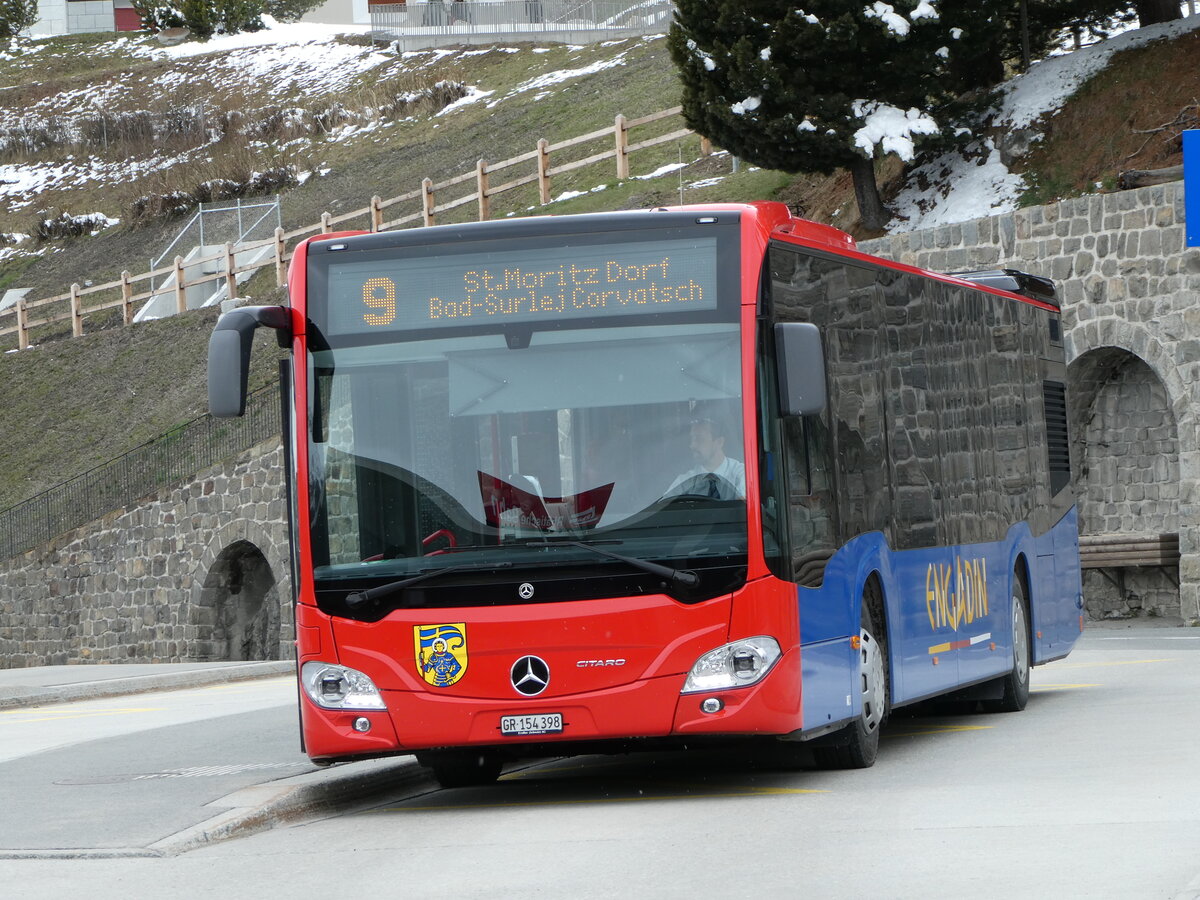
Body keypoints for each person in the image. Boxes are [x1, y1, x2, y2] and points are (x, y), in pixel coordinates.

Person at [665, 418, 746, 500]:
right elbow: (663, 507)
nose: (692, 445)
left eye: (699, 439)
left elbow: (746, 506)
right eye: (692, 439)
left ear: (719, 442)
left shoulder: (741, 474)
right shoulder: (684, 482)